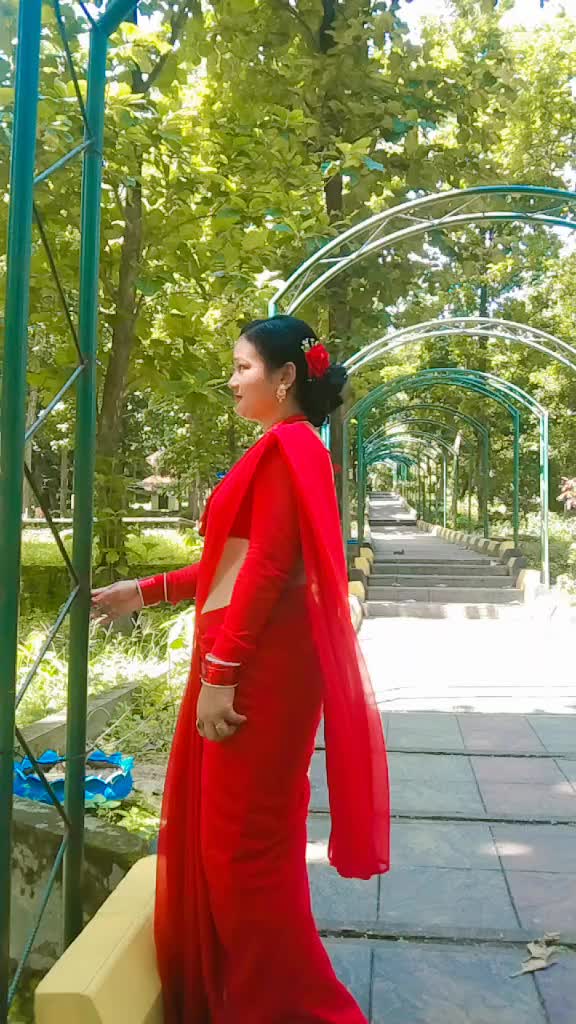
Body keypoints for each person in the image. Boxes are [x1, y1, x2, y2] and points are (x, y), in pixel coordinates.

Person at [91, 314, 390, 1024]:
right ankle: (261, 1000)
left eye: (242, 367)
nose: (231, 381)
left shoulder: (288, 449)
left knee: (242, 855)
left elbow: (269, 567)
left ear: (285, 377)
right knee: (246, 848)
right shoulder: (285, 448)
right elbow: (235, 566)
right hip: (254, 663)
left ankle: (302, 1010)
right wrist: (147, 590)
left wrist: (220, 676)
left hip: (257, 676)